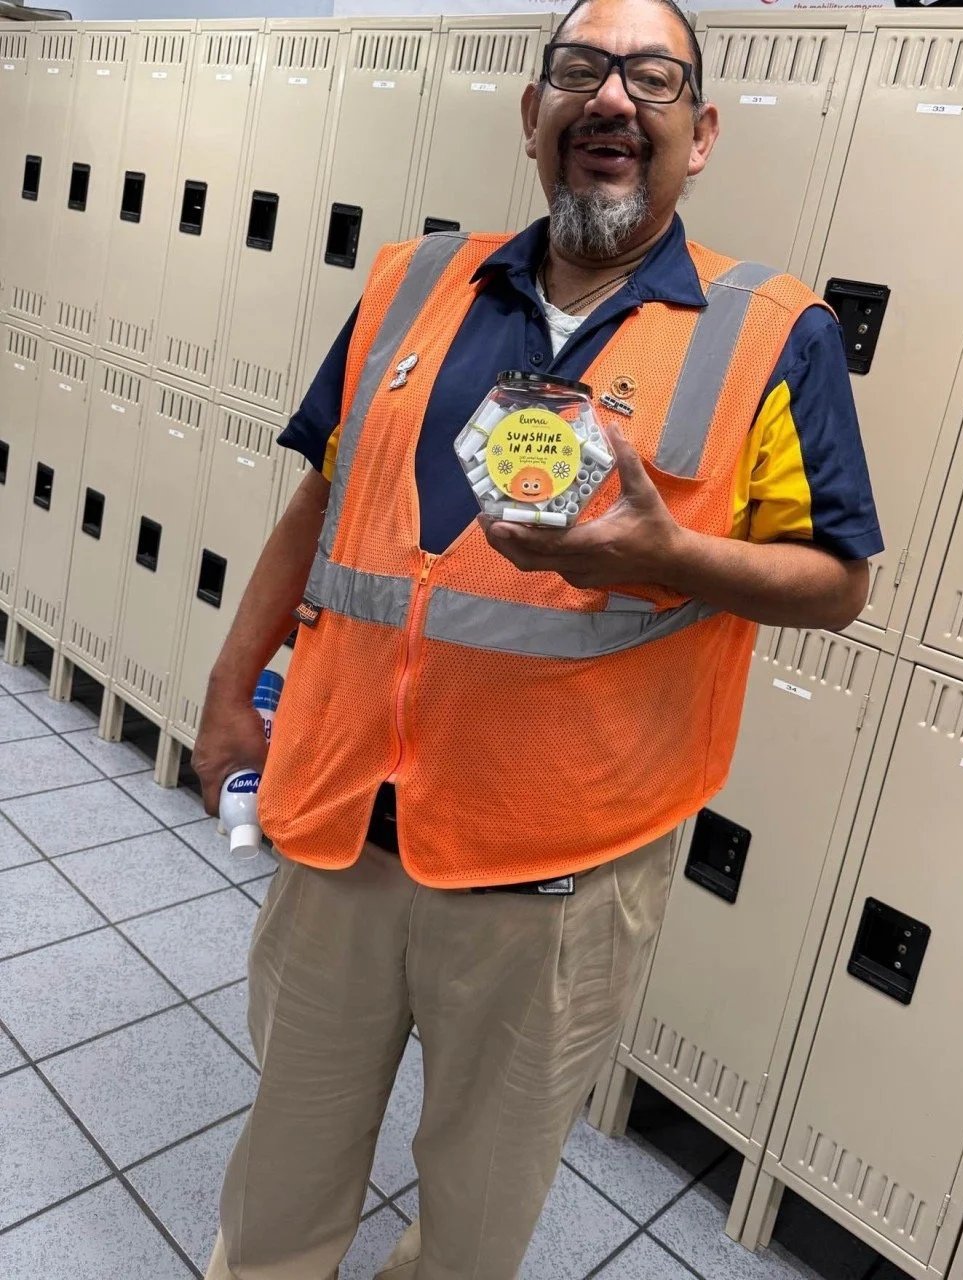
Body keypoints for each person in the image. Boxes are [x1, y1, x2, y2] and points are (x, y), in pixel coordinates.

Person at [193, 0, 882, 1274]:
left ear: (701, 131)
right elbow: (320, 500)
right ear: (533, 116)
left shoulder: (772, 335)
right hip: (340, 822)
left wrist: (669, 557)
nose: (610, 100)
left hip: (553, 883)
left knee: (474, 1218)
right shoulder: (413, 281)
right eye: (578, 71)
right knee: (280, 1181)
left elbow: (837, 580)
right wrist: (231, 687)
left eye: (651, 79)